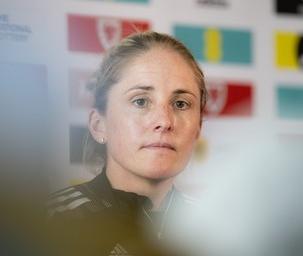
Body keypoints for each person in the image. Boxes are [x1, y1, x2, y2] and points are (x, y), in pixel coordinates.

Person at [46, 31, 207, 256]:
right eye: (140, 101)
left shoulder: (218, 230)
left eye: (180, 104)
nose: (164, 121)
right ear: (98, 124)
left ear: (198, 128)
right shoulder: (51, 220)